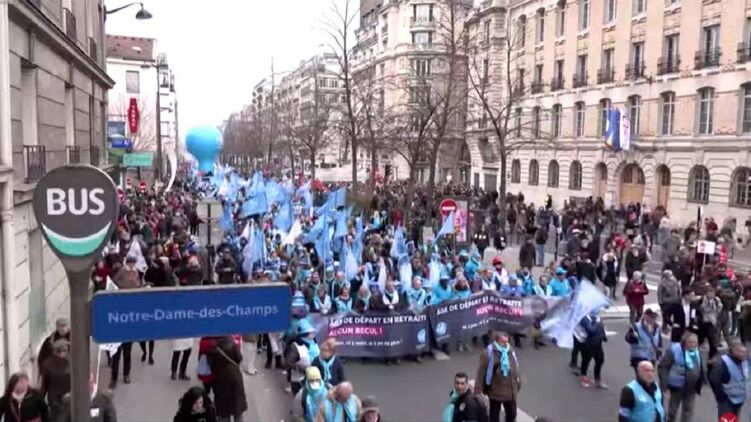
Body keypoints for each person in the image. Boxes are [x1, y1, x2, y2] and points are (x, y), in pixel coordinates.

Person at [475, 331, 521, 422]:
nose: (505, 344)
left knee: (512, 414)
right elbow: (481, 371)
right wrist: (478, 388)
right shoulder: (488, 353)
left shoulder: (510, 350)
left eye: (507, 341)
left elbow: (515, 366)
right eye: (503, 342)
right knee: (494, 416)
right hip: (495, 391)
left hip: (510, 391)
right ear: (496, 341)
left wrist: (518, 382)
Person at [657, 332, 704, 422]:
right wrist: (664, 385)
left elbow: (700, 367)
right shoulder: (674, 350)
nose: (693, 345)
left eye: (695, 342)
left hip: (691, 387)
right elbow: (663, 367)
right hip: (677, 386)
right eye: (690, 342)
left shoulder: (697, 352)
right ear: (685, 342)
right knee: (673, 411)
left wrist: (702, 380)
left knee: (688, 410)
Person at [209, 336, 247, 422]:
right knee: (238, 410)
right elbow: (239, 358)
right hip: (235, 377)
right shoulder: (232, 343)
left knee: (224, 412)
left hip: (220, 379)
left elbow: (211, 365)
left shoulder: (214, 347)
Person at [709, 342, 747, 419]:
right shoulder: (722, 362)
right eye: (741, 352)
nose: (744, 354)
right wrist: (722, 398)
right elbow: (714, 380)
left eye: (745, 352)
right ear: (734, 351)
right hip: (727, 401)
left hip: (739, 399)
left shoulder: (743, 361)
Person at [39, 339, 70, 420]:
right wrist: (40, 400)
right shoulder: (48, 364)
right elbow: (44, 384)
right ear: (55, 351)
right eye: (60, 351)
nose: (62, 353)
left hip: (68, 397)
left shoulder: (71, 361)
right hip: (56, 400)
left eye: (65, 350)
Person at [578, 310, 608, 389]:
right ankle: (583, 378)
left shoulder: (597, 317)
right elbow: (591, 330)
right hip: (588, 344)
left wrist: (604, 336)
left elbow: (602, 327)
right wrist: (597, 322)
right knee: (586, 361)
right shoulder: (584, 319)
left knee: (600, 360)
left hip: (598, 344)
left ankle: (597, 380)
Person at [697, 287, 722, 359]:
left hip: (712, 323)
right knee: (699, 340)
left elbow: (719, 308)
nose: (711, 294)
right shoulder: (702, 300)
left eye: (712, 293)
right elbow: (700, 309)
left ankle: (711, 358)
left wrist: (715, 314)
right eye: (709, 292)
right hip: (703, 322)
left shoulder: (717, 300)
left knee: (713, 342)